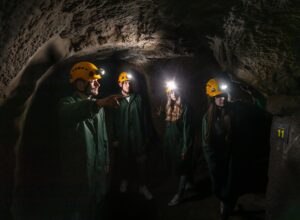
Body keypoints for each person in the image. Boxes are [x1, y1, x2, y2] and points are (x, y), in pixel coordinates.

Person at [58, 61, 121, 220]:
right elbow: (69, 113)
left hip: (98, 173)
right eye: (93, 81)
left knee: (97, 208)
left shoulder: (98, 109)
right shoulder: (66, 104)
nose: (98, 84)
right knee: (78, 210)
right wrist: (98, 103)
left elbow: (104, 138)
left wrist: (106, 161)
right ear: (80, 83)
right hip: (79, 175)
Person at [202, 78, 271, 220]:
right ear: (211, 98)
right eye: (217, 97)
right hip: (218, 161)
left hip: (234, 159)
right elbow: (207, 144)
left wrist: (254, 93)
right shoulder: (207, 119)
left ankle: (226, 211)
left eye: (223, 95)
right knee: (220, 187)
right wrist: (213, 164)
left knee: (230, 189)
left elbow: (258, 108)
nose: (221, 99)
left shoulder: (236, 108)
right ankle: (226, 203)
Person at [113, 71, 153, 200]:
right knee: (124, 161)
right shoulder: (116, 100)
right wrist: (114, 138)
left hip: (138, 136)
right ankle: (124, 181)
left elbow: (144, 118)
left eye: (129, 83)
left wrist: (146, 136)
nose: (127, 85)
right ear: (120, 84)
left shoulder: (138, 98)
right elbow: (113, 121)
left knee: (141, 162)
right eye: (125, 83)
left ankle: (143, 186)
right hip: (124, 138)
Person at [163, 83, 194, 206]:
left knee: (183, 169)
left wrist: (185, 148)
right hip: (172, 145)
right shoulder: (169, 107)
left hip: (181, 145)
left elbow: (188, 130)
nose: (173, 94)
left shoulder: (186, 108)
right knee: (180, 168)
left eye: (175, 91)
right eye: (170, 92)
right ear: (168, 94)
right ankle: (189, 183)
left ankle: (179, 195)